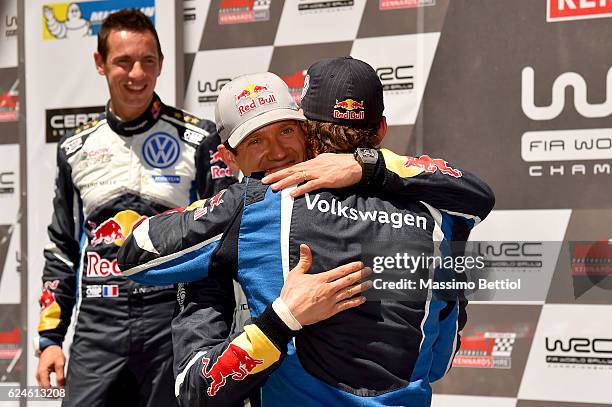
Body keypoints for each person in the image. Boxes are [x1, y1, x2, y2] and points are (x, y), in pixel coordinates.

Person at [118, 58, 495, 406]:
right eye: (256, 140)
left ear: (307, 129)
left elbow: (137, 249)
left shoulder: (255, 206)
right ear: (380, 129)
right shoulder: (441, 219)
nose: (277, 152)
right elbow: (440, 360)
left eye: (285, 131)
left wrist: (280, 321)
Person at [33, 9, 234, 407]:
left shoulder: (199, 139)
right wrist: (50, 340)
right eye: (123, 62)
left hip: (170, 317)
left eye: (148, 62)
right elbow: (62, 247)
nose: (137, 74)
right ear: (100, 63)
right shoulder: (75, 149)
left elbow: (224, 236)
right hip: (98, 322)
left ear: (161, 64)